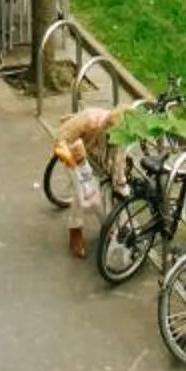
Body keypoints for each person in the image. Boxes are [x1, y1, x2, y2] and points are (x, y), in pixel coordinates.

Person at [51, 104, 121, 259]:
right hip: (72, 152)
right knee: (82, 192)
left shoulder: (119, 133)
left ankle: (108, 225)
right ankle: (75, 229)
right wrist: (72, 160)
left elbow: (118, 157)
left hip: (94, 150)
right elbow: (61, 138)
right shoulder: (89, 120)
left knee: (104, 188)